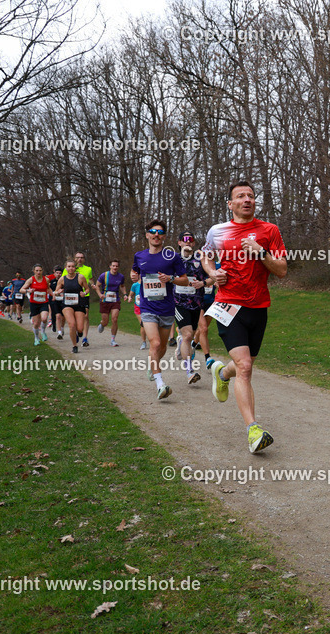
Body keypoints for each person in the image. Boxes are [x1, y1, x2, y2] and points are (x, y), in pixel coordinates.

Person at [201, 180, 288, 454]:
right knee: (246, 367)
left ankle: (220, 372)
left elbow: (282, 270)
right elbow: (206, 256)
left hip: (258, 307)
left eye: (251, 195)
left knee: (241, 366)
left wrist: (260, 252)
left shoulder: (269, 231)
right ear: (231, 204)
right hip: (228, 305)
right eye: (240, 196)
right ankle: (253, 430)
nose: (247, 199)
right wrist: (212, 273)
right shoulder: (219, 231)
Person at [131, 220, 189, 401]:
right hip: (147, 308)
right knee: (155, 344)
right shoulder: (139, 256)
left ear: (164, 236)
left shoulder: (172, 256)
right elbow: (134, 272)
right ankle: (160, 384)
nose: (156, 235)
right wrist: (133, 276)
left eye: (160, 232)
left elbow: (185, 280)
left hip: (167, 308)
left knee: (162, 347)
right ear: (147, 235)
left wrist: (171, 278)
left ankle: (152, 365)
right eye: (153, 231)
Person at [173, 231, 212, 385]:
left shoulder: (200, 258)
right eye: (185, 240)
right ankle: (189, 371)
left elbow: (212, 276)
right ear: (179, 242)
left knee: (191, 334)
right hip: (179, 302)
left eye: (191, 240)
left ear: (194, 243)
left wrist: (203, 283)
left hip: (196, 303)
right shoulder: (173, 259)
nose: (188, 242)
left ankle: (181, 341)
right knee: (189, 335)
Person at [54, 261, 89, 354]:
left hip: (79, 304)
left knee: (80, 328)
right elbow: (56, 291)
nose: (71, 268)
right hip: (67, 304)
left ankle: (78, 332)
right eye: (69, 266)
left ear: (75, 268)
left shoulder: (80, 277)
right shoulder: (62, 279)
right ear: (65, 268)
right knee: (72, 324)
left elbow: (87, 288)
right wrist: (58, 292)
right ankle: (74, 346)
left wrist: (84, 293)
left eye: (73, 266)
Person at [94, 260, 127, 347]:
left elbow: (122, 286)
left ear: (118, 267)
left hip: (115, 300)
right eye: (113, 266)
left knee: (115, 319)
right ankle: (102, 324)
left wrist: (125, 294)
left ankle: (113, 339)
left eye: (116, 266)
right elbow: (97, 285)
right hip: (105, 300)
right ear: (110, 266)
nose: (115, 267)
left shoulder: (121, 276)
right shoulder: (104, 275)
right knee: (106, 321)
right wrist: (100, 294)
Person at [19, 264, 52, 346]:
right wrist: (28, 291)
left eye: (40, 270)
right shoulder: (30, 280)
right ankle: (36, 338)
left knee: (44, 318)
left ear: (42, 271)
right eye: (37, 270)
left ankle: (43, 331)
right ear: (34, 271)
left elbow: (48, 288)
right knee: (36, 323)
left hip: (44, 302)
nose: (38, 272)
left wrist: (53, 295)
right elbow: (21, 290)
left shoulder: (46, 279)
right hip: (34, 303)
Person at [74, 252, 94, 346]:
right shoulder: (69, 268)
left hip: (84, 295)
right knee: (74, 316)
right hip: (73, 295)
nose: (80, 259)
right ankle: (76, 332)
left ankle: (85, 338)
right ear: (75, 259)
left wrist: (93, 285)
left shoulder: (88, 269)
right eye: (78, 257)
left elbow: (90, 279)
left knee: (85, 315)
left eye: (82, 257)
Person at [127, 280, 148, 349]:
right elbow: (130, 295)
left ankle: (153, 340)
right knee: (143, 324)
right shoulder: (135, 285)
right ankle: (144, 342)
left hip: (148, 307)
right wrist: (129, 298)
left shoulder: (149, 283)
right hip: (138, 307)